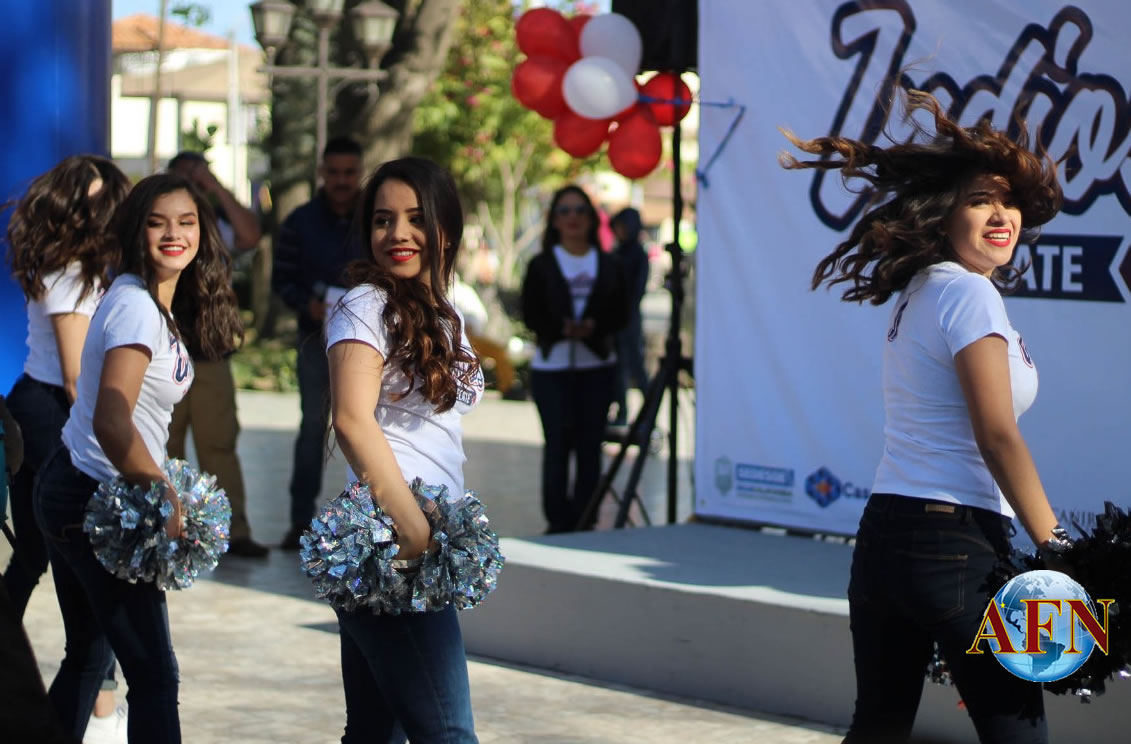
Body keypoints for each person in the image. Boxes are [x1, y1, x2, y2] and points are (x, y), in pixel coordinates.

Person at [781, 90, 1064, 743]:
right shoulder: (965, 294)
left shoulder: (923, 290)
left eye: (1009, 201)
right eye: (979, 200)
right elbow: (995, 433)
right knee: (1016, 733)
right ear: (943, 214)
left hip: (884, 538)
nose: (1001, 216)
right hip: (955, 544)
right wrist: (1058, 547)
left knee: (878, 726)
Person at [34, 173, 243, 742]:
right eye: (157, 223)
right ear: (134, 231)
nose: (174, 234)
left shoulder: (146, 301)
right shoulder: (135, 307)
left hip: (76, 488)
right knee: (154, 676)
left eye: (187, 222)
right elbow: (110, 417)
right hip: (98, 499)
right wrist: (160, 489)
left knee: (88, 659)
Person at [325, 156, 484, 742]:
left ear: (446, 228)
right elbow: (350, 419)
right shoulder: (365, 304)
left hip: (410, 534)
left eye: (416, 218)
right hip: (391, 541)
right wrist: (413, 529)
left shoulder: (445, 311)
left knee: (374, 732)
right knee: (447, 733)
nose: (398, 234)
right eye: (383, 220)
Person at [2, 155, 132, 743]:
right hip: (52, 411)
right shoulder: (71, 270)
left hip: (44, 408)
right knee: (68, 563)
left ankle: (95, 694)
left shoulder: (82, 267)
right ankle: (93, 696)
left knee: (36, 554)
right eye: (102, 204)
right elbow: (79, 374)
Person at [165, 152, 268, 558]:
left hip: (209, 350)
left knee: (218, 444)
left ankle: (233, 531)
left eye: (197, 176)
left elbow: (250, 235)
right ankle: (167, 528)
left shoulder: (214, 225)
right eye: (182, 179)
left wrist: (215, 186)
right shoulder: (156, 228)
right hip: (164, 351)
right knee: (163, 445)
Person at [273, 136, 363, 550]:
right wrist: (305, 302)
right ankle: (299, 520)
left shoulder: (374, 218)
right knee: (313, 428)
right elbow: (281, 281)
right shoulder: (299, 222)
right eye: (335, 172)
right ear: (322, 173)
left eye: (350, 172)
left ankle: (373, 517)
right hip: (315, 340)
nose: (342, 180)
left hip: (370, 344)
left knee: (370, 428)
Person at [521, 186, 627, 533]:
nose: (572, 218)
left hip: (596, 368)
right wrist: (560, 327)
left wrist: (595, 327)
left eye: (580, 211)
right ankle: (557, 520)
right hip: (551, 369)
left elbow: (622, 312)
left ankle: (586, 517)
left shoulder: (608, 263)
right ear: (554, 219)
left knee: (589, 445)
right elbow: (530, 312)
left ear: (591, 218)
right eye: (564, 211)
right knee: (557, 445)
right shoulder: (541, 264)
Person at [608, 207, 649, 428]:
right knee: (618, 368)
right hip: (616, 320)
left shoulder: (637, 254)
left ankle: (648, 414)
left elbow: (637, 291)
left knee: (635, 366)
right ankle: (622, 412)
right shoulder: (618, 252)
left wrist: (625, 312)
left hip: (629, 320)